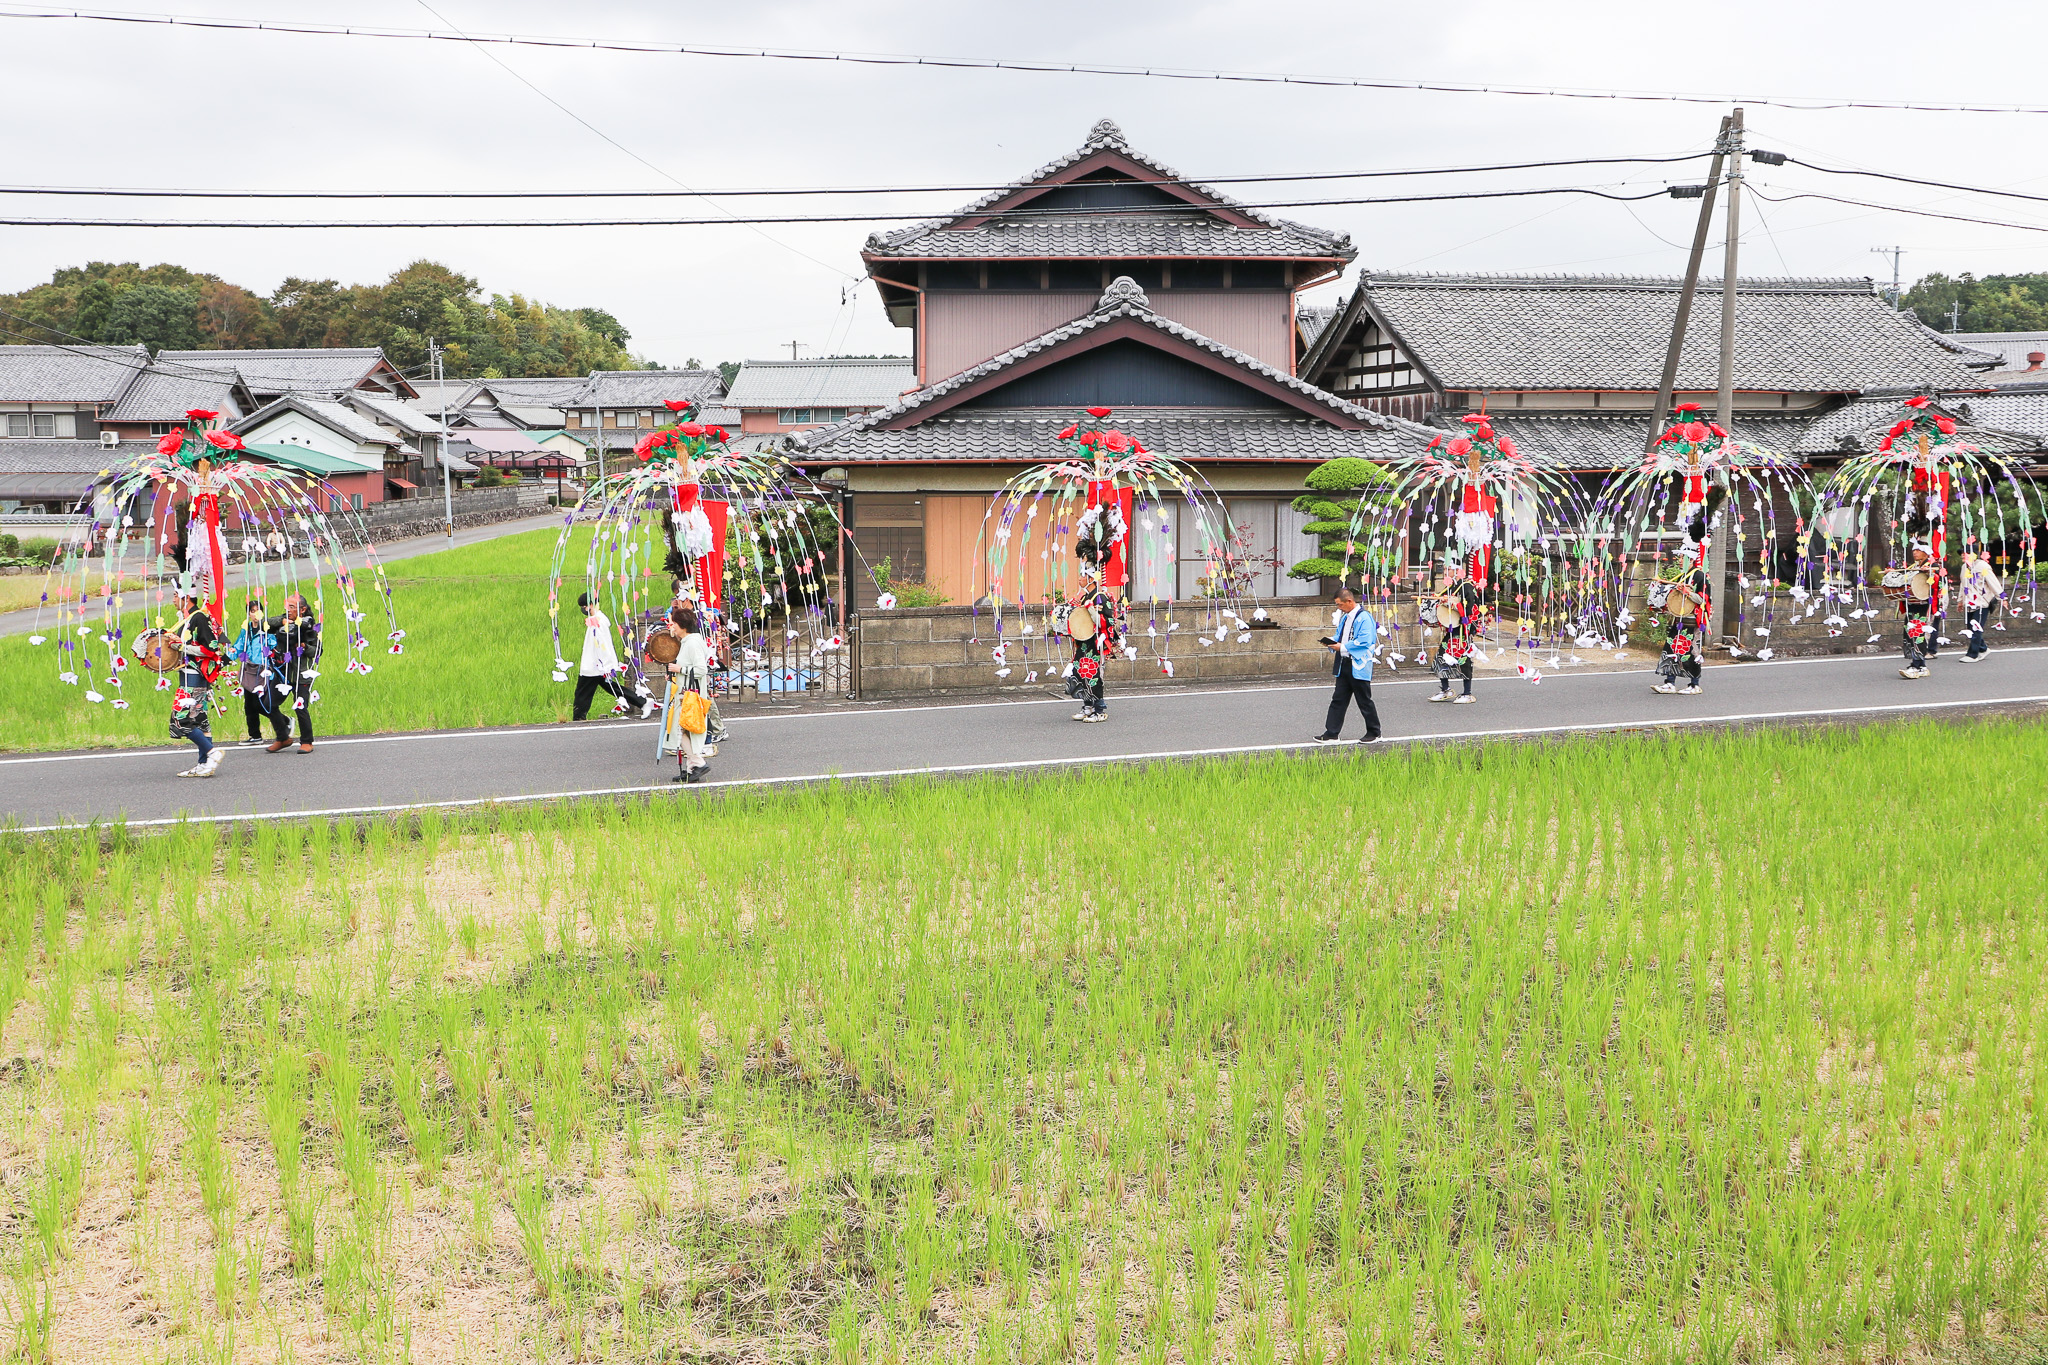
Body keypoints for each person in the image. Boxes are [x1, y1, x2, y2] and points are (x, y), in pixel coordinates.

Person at [1312, 586, 1381, 744]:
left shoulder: (1364, 617)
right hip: (1344, 663)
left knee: (1364, 700)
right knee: (1338, 699)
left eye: (1340, 604)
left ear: (1349, 601)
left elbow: (1365, 640)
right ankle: (1331, 733)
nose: (1339, 608)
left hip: (1358, 664)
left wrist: (1342, 647)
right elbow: (1339, 636)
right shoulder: (1345, 617)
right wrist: (1330, 642)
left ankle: (1374, 732)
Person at [169, 588, 223, 778]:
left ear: (185, 597)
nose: (173, 600)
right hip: (188, 674)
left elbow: (210, 649)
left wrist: (181, 646)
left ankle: (211, 752)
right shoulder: (188, 619)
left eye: (175, 596)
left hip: (194, 676)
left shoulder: (199, 617)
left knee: (180, 719)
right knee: (199, 720)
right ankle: (203, 764)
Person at [657, 606, 713, 783]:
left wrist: (680, 669)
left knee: (679, 730)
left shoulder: (692, 643)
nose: (671, 626)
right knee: (684, 730)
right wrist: (675, 672)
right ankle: (691, 768)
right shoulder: (688, 642)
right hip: (686, 692)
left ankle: (697, 763)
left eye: (673, 623)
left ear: (682, 626)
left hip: (689, 694)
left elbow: (701, 669)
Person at [1652, 539, 1712, 696]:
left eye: (1682, 558)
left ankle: (1694, 685)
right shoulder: (1684, 575)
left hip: (1693, 621)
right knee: (1672, 649)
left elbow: (1703, 600)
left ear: (1691, 560)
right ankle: (1670, 683)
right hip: (1680, 620)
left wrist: (1688, 593)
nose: (1679, 561)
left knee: (1691, 652)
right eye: (1679, 558)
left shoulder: (1700, 577)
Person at [263, 594, 319, 753]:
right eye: (287, 606)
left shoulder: (310, 627)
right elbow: (263, 624)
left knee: (301, 707)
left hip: (301, 674)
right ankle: (283, 737)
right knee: (269, 704)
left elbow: (317, 651)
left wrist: (304, 647)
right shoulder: (283, 620)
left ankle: (307, 741)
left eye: (292, 607)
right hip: (283, 673)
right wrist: (282, 623)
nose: (288, 610)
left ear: (302, 609)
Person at [571, 592, 636, 720]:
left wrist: (606, 665)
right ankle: (641, 702)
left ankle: (578, 718)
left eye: (584, 606)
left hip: (594, 666)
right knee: (613, 688)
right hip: (595, 665)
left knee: (582, 693)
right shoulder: (596, 621)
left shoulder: (599, 622)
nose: (583, 610)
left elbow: (604, 645)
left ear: (590, 605)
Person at [1427, 561, 1483, 704]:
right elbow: (1442, 600)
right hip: (1453, 628)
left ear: (1457, 570)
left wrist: (1454, 604)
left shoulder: (1467, 586)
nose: (1446, 571)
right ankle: (1446, 690)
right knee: (1442, 656)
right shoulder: (1452, 587)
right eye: (1445, 569)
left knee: (1464, 659)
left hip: (1463, 629)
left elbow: (1472, 609)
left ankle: (1467, 693)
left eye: (1449, 569)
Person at [227, 597, 281, 745]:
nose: (255, 614)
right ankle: (255, 735)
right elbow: (238, 646)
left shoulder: (267, 629)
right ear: (248, 614)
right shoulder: (246, 631)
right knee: (249, 704)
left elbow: (274, 644)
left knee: (261, 703)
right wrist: (227, 657)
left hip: (264, 670)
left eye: (258, 611)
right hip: (249, 670)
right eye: (252, 611)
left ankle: (282, 722)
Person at [1897, 541, 1941, 680]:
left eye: (1917, 550)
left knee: (1917, 633)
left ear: (1925, 552)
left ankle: (1915, 666)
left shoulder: (1933, 565)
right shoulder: (1915, 566)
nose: (1914, 552)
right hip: (1913, 603)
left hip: (1923, 605)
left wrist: (1929, 573)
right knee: (1910, 632)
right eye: (1913, 550)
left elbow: (1938, 580)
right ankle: (1921, 666)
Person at [1960, 549, 2003, 662]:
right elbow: (1963, 585)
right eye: (1962, 553)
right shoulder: (1965, 567)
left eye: (1966, 553)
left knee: (1976, 628)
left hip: (1982, 603)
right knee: (1970, 627)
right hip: (1969, 603)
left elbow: (1993, 583)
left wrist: (2002, 597)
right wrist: (1960, 600)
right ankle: (1983, 648)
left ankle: (1972, 654)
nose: (1963, 555)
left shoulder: (1983, 566)